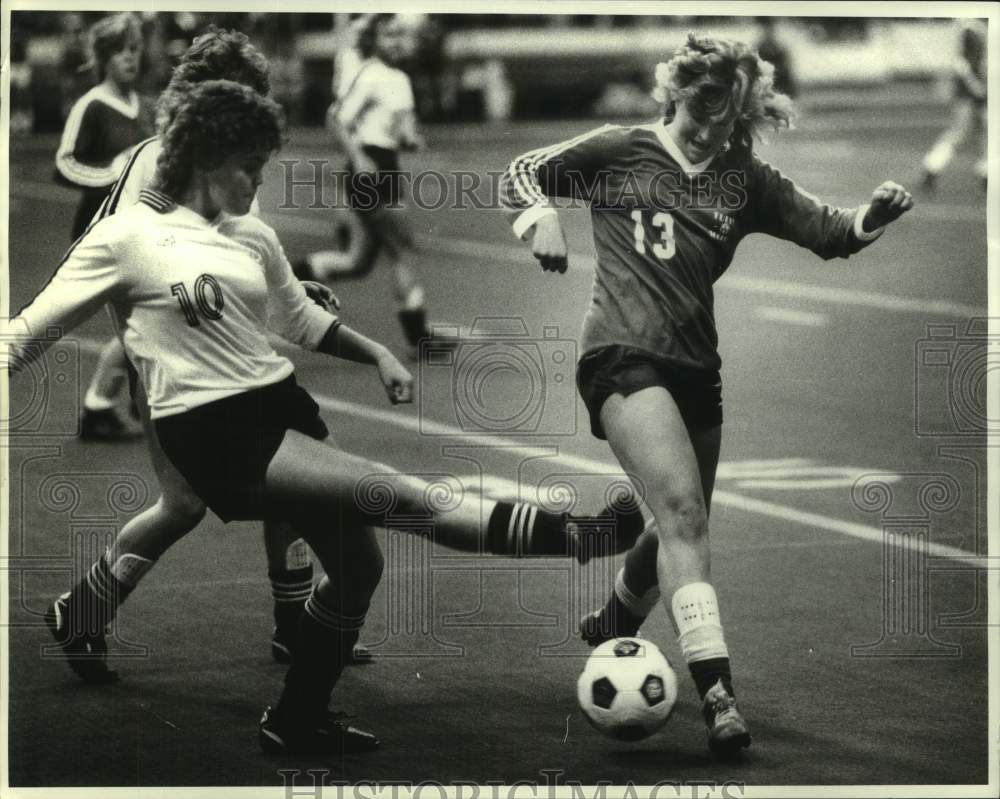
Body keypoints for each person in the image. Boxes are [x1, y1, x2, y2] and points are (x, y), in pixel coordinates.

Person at [7, 80, 645, 754]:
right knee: (395, 494)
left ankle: (297, 717)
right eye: (248, 166)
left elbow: (298, 317)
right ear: (205, 157)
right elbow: (25, 333)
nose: (258, 181)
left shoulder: (249, 233)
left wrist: (376, 353)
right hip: (214, 432)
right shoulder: (127, 237)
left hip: (279, 405)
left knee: (358, 566)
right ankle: (577, 536)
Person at [500, 32, 913, 756]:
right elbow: (523, 172)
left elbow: (832, 232)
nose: (710, 124)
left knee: (670, 526)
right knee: (686, 513)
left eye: (727, 114)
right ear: (676, 92)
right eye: (700, 107)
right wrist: (541, 219)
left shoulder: (742, 177)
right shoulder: (619, 149)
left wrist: (874, 215)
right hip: (620, 356)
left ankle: (614, 622)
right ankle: (718, 692)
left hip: (696, 369)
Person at [49, 27, 372, 676]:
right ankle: (85, 608)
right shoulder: (161, 163)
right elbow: (110, 261)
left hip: (200, 359)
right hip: (173, 364)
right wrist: (148, 346)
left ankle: (287, 624)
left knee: (283, 478)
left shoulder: (195, 157)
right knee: (193, 501)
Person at [294, 14, 447, 356]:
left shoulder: (400, 79)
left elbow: (401, 132)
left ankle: (288, 277)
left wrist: (411, 139)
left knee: (358, 261)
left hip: (385, 165)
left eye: (399, 35)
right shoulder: (372, 75)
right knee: (403, 250)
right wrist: (359, 157)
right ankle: (418, 336)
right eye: (387, 35)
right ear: (373, 41)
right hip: (371, 170)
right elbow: (335, 119)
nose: (395, 41)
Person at [54, 12, 155, 440]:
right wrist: (112, 176)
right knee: (143, 325)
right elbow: (64, 163)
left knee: (146, 325)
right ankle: (110, 403)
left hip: (141, 233)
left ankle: (105, 405)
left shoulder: (144, 107)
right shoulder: (92, 105)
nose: (129, 59)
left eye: (133, 49)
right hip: (101, 233)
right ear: (102, 58)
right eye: (118, 51)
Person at [919, 19, 987, 191]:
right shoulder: (970, 28)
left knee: (988, 133)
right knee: (959, 131)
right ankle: (932, 167)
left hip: (983, 87)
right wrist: (974, 85)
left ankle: (986, 173)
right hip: (970, 90)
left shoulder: (980, 27)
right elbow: (961, 63)